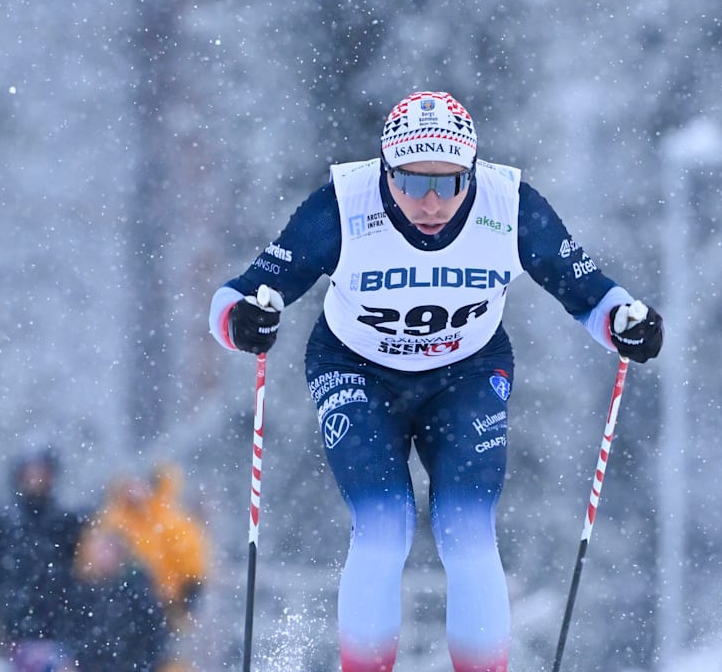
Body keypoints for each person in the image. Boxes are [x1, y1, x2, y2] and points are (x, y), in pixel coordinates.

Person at [207, 91, 664, 672]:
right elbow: (236, 295)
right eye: (410, 182)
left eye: (449, 184)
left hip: (467, 372)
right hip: (356, 370)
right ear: (383, 171)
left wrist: (628, 323)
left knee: (467, 530)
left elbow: (589, 292)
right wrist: (242, 322)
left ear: (473, 173)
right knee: (383, 526)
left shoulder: (510, 205)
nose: (430, 201)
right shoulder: (340, 208)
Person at [0, 447, 85, 666]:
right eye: (30, 474)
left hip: (60, 627)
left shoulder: (68, 521)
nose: (36, 480)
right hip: (15, 629)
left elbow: (81, 571)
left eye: (41, 474)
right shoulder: (0, 523)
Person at [95, 464, 210, 671]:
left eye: (141, 484)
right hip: (114, 608)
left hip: (164, 608)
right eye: (130, 485)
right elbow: (90, 561)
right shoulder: (111, 521)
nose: (135, 490)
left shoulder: (173, 523)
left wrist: (185, 605)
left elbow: (193, 569)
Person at [59, 524, 170, 672]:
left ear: (120, 555)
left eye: (107, 551)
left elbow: (155, 635)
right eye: (99, 551)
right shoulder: (88, 589)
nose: (102, 557)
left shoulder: (137, 591)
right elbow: (77, 634)